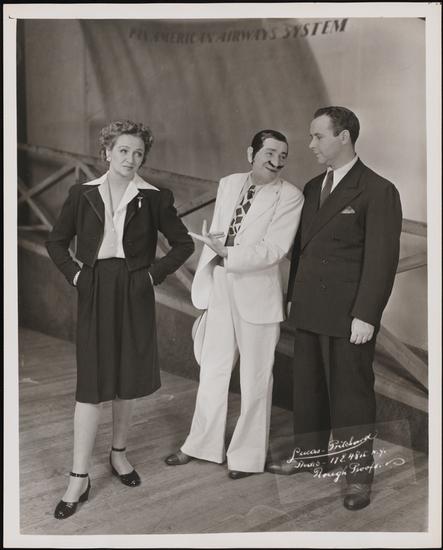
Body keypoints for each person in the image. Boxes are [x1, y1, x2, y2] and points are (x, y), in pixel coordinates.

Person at [46, 120, 194, 519]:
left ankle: (118, 455)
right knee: (91, 384)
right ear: (107, 151)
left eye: (138, 153)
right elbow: (56, 242)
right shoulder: (82, 194)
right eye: (124, 150)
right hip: (94, 286)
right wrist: (77, 276)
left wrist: (150, 276)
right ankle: (78, 476)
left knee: (127, 377)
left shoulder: (155, 197)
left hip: (135, 287)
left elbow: (182, 244)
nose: (131, 159)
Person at [266, 107, 402, 511]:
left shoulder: (378, 190)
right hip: (309, 306)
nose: (310, 144)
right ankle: (310, 456)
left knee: (351, 395)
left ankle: (358, 475)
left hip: (349, 315)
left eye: (318, 136)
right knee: (307, 388)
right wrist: (293, 296)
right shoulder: (312, 187)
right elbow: (302, 251)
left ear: (344, 137)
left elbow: (381, 261)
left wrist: (367, 314)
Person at [164, 129, 304, 478]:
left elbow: (274, 249)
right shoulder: (229, 183)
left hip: (258, 293)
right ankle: (200, 445)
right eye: (269, 152)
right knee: (212, 369)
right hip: (222, 285)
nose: (276, 161)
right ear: (251, 153)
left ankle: (247, 458)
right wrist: (216, 253)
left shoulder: (291, 196)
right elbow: (220, 231)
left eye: (283, 156)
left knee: (256, 378)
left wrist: (229, 252)